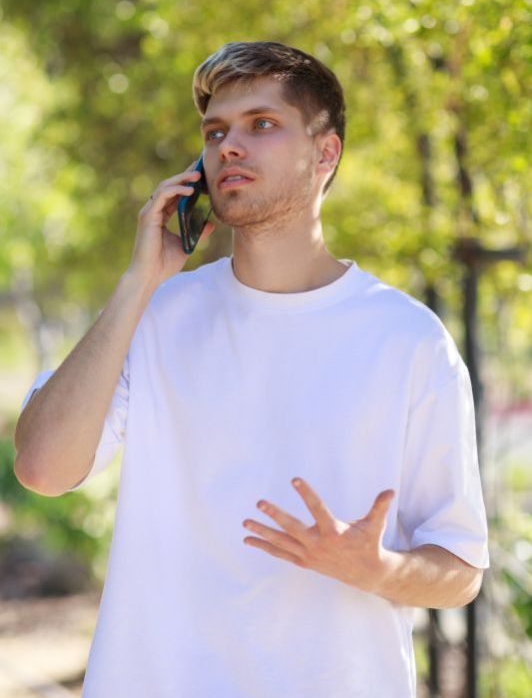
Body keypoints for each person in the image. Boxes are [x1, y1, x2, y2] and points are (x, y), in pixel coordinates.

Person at [14, 41, 489, 698]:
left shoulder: (408, 338)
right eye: (216, 132)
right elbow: (42, 468)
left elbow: (461, 569)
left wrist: (374, 567)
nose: (228, 146)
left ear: (325, 154)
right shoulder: (156, 314)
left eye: (261, 125)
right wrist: (139, 282)